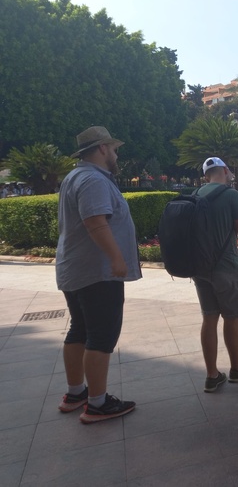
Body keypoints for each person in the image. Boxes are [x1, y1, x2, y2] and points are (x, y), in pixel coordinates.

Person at [55, 126, 141, 423]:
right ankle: (97, 403)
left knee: (79, 329)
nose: (116, 155)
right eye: (114, 149)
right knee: (101, 335)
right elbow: (96, 222)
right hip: (97, 272)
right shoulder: (92, 179)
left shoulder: (75, 177)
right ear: (102, 149)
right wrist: (117, 258)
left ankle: (76, 392)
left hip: (77, 269)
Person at [193, 157, 238, 392]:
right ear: (226, 171)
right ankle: (237, 368)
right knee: (231, 317)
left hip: (200, 268)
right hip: (226, 266)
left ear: (206, 176)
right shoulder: (230, 195)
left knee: (209, 318)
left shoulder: (196, 194)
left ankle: (212, 375)